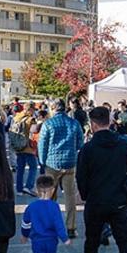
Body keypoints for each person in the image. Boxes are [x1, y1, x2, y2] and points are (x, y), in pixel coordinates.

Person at [75, 105, 127, 253]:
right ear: (109, 121)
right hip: (119, 200)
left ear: (93, 124)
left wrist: (86, 195)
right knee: (124, 241)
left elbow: (82, 177)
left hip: (96, 201)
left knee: (92, 241)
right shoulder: (123, 145)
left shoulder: (88, 149)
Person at [38, 99, 84, 237]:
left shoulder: (48, 124)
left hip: (52, 163)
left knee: (50, 195)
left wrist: (42, 161)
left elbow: (42, 145)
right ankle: (70, 227)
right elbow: (80, 142)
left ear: (53, 108)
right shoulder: (74, 123)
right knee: (70, 197)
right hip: (70, 162)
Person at [10, 106, 39, 195]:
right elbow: (34, 133)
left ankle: (19, 189)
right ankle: (28, 187)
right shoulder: (31, 120)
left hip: (18, 146)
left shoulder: (16, 118)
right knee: (33, 167)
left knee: (20, 168)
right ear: (30, 110)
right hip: (28, 147)